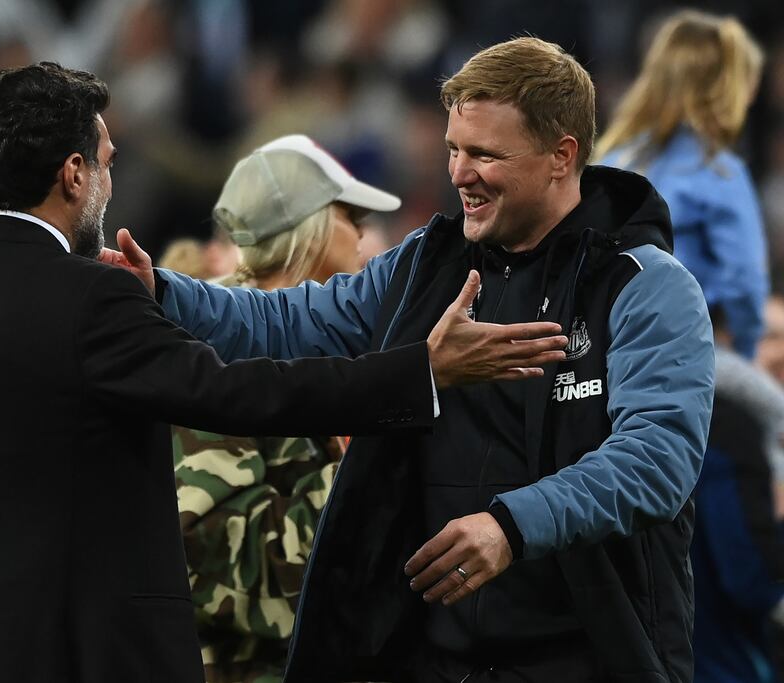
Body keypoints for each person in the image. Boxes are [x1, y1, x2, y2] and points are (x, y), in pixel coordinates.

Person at [0, 62, 568, 683]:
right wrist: (418, 374)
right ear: (72, 176)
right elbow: (242, 392)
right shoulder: (91, 299)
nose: (109, 178)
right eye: (106, 161)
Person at [102, 37, 715, 682]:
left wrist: (512, 526)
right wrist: (163, 292)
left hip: (591, 660)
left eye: (484, 154)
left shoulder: (642, 284)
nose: (459, 173)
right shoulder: (427, 265)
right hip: (435, 662)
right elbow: (286, 323)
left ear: (561, 156)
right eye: (453, 149)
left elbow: (658, 457)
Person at [174, 133, 400, 683]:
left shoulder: (329, 350)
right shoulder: (212, 360)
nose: (367, 233)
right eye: (351, 215)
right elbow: (229, 571)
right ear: (314, 228)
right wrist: (388, 450)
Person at [595, 9, 767, 359]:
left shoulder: (610, 161)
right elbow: (744, 283)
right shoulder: (719, 172)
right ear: (727, 87)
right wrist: (746, 353)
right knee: (775, 412)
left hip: (605, 350)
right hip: (685, 350)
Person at [691, 308, 784, 683]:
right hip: (722, 660)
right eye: (769, 337)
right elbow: (750, 578)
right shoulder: (730, 426)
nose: (781, 352)